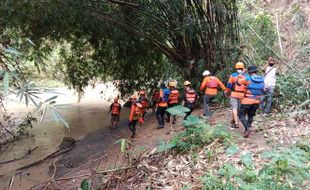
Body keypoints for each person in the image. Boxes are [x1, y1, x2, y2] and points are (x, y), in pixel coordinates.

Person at [239, 65, 265, 138]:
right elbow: (264, 89)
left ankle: (247, 128)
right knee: (251, 115)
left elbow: (239, 82)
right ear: (256, 71)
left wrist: (241, 74)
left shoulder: (248, 78)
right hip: (256, 101)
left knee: (241, 115)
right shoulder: (262, 79)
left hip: (247, 101)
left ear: (249, 72)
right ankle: (247, 129)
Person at [226, 62, 248, 128]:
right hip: (242, 94)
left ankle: (236, 122)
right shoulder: (246, 76)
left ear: (236, 68)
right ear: (243, 67)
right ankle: (234, 120)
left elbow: (229, 85)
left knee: (234, 108)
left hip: (234, 94)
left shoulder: (233, 75)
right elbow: (247, 85)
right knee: (238, 108)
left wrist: (227, 91)